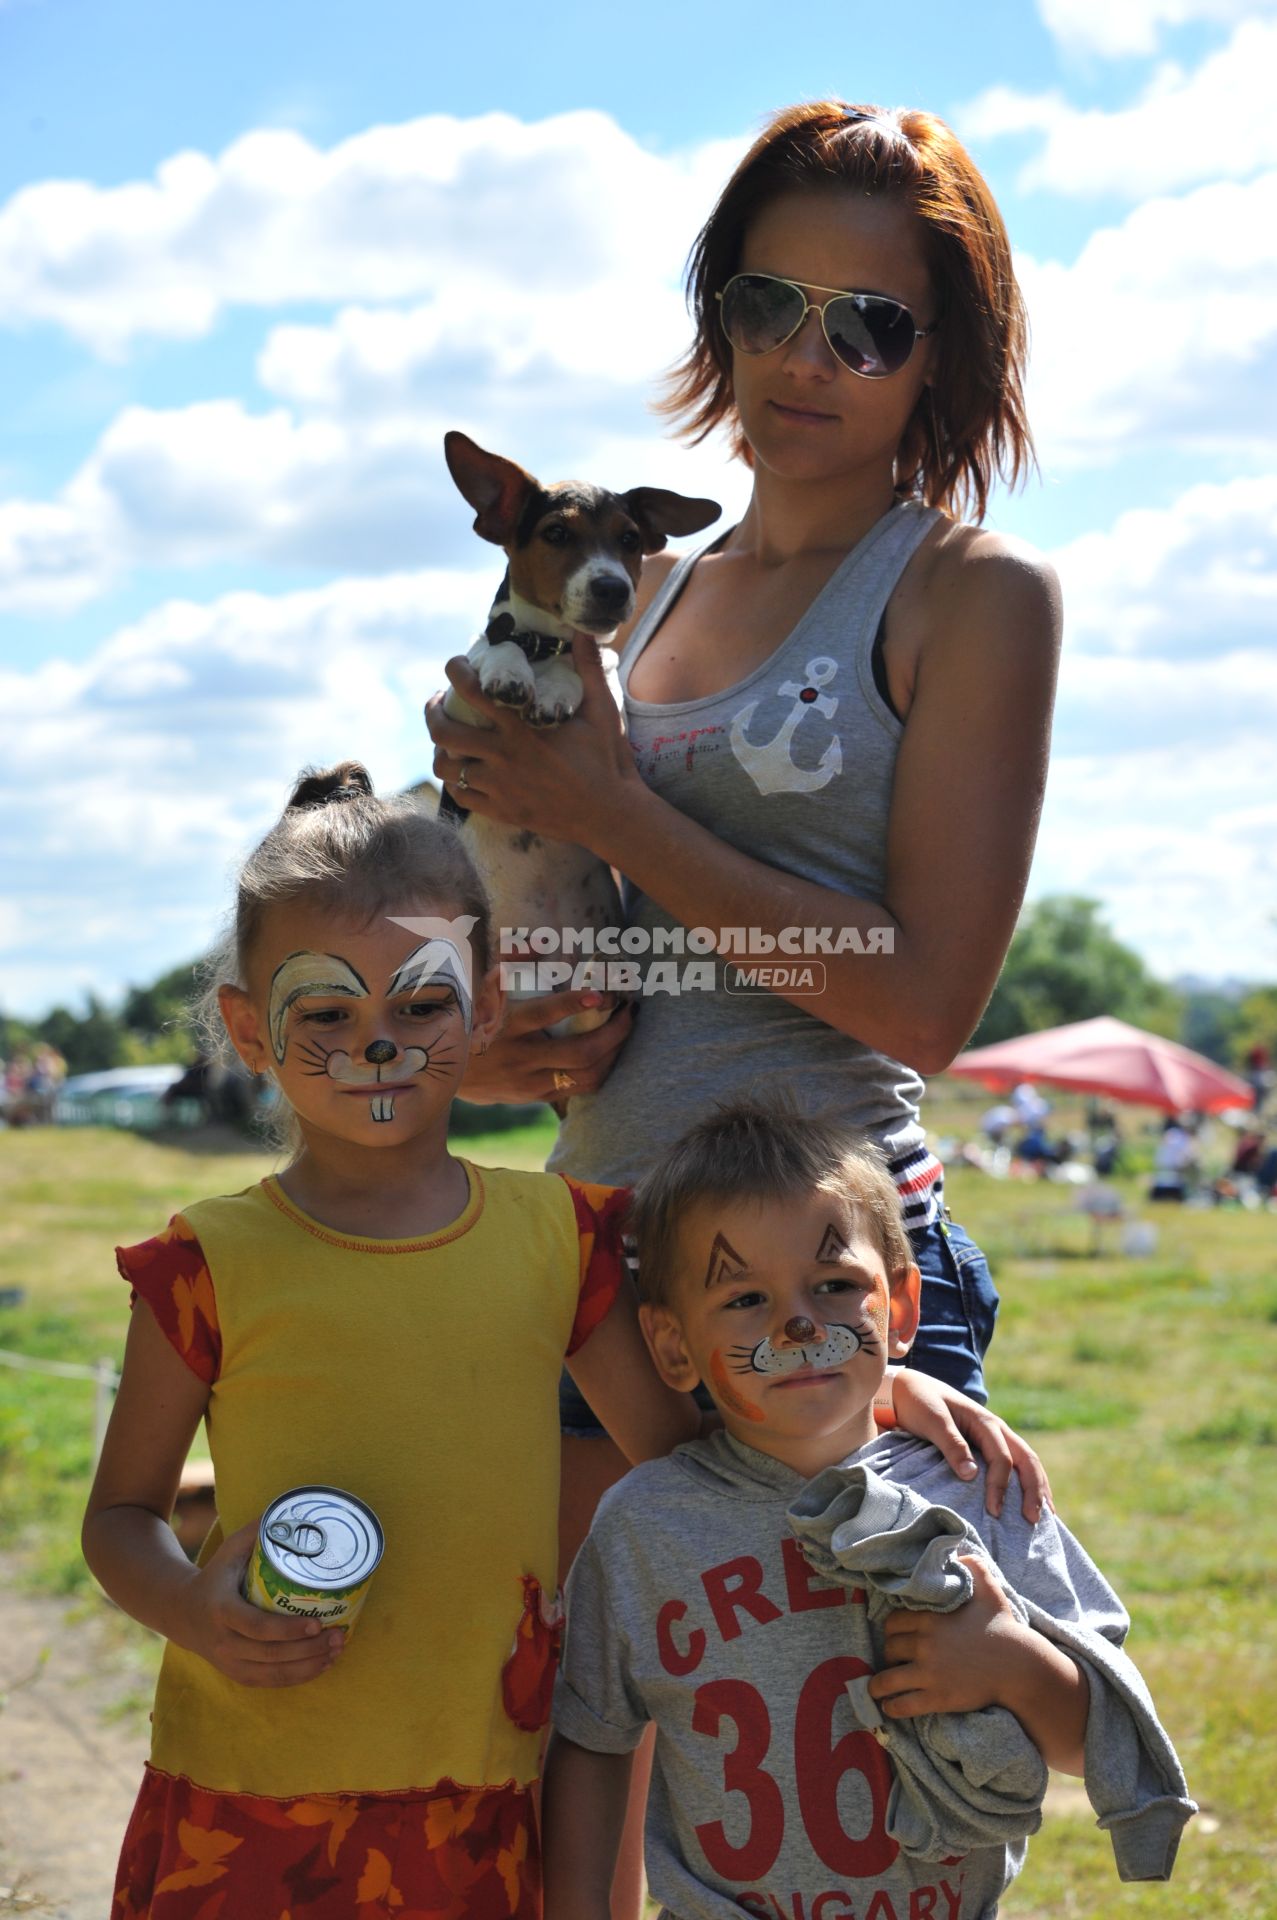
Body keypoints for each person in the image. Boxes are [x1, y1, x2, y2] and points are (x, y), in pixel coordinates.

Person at [426, 99, 1062, 1911]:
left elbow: (930, 997)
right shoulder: (649, 591)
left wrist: (612, 811)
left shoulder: (969, 594)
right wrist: (497, 1039)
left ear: (949, 354)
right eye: (769, 299)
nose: (807, 356)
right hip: (598, 1280)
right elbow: (621, 950)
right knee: (598, 1803)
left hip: (813, 1288)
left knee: (850, 1836)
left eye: (869, 324)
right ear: (713, 308)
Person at [82, 760, 710, 1920]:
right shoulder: (205, 1264)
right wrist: (189, 1611)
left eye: (420, 1003)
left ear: (484, 993)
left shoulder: (557, 1241)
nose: (379, 1045)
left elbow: (681, 1472)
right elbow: (121, 1518)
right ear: (245, 1028)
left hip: (481, 1806)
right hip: (249, 1805)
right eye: (326, 1012)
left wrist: (875, 1404)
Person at [542, 1103, 1195, 1920]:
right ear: (671, 1346)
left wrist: (1012, 1664)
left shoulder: (977, 1489)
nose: (797, 1322)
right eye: (743, 1297)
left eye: (834, 1285)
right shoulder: (640, 1524)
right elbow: (592, 1743)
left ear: (901, 1310)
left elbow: (1093, 1746)